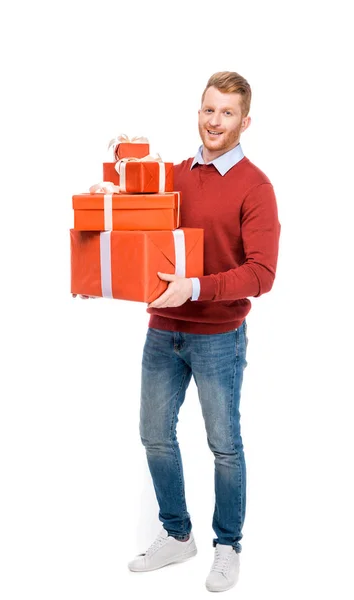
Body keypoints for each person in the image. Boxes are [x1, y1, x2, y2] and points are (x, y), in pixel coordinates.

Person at [127, 71, 281, 593]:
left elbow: (262, 273)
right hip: (162, 330)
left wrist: (194, 287)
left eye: (227, 112)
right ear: (199, 112)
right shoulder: (174, 174)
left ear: (245, 121)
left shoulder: (255, 186)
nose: (215, 121)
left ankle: (226, 545)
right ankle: (177, 535)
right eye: (208, 109)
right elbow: (134, 225)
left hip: (218, 336)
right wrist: (100, 264)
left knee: (224, 445)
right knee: (154, 435)